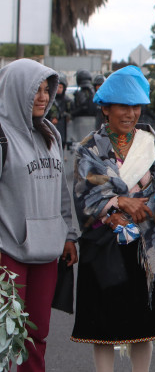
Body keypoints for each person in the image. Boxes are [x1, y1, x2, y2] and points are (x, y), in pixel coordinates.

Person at [70, 66, 155, 372]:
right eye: (122, 106)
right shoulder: (87, 148)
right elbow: (83, 195)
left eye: (135, 106)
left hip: (145, 240)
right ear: (105, 109)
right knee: (102, 325)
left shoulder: (152, 142)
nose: (130, 113)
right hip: (103, 242)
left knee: (143, 324)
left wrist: (142, 206)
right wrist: (117, 204)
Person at [0, 59, 78, 372]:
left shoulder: (51, 134)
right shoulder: (2, 136)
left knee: (37, 334)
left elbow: (61, 190)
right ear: (18, 90)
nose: (44, 96)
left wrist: (69, 234)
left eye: (48, 90)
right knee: (8, 334)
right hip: (9, 251)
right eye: (36, 89)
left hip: (48, 251)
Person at [47, 72, 73, 149]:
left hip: (64, 129)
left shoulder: (67, 100)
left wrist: (66, 116)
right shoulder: (50, 99)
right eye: (57, 87)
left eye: (61, 87)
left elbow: (71, 113)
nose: (59, 89)